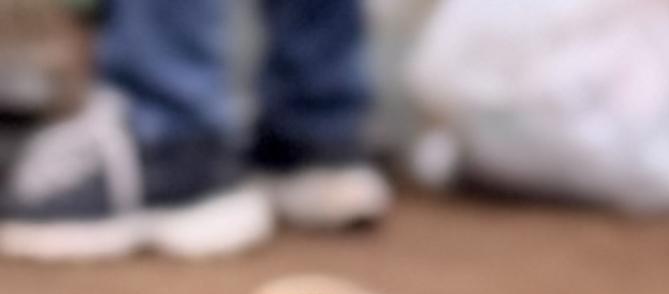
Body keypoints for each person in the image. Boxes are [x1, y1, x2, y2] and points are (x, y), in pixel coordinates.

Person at [0, 0, 390, 260]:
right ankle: (314, 132)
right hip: (314, 115)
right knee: (313, 127)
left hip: (179, 127)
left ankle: (168, 132)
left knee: (172, 117)